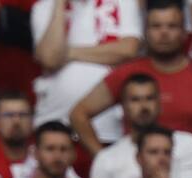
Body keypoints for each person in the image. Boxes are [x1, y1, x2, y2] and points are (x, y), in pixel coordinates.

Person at [70, 0, 192, 157]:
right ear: (145, 31)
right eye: (156, 26)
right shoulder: (127, 73)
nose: (164, 33)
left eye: (172, 26)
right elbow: (79, 114)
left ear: (184, 32)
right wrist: (104, 160)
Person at [31, 0, 143, 145]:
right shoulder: (44, 7)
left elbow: (128, 50)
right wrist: (59, 4)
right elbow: (50, 59)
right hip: (54, 125)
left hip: (105, 126)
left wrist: (68, 52)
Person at [87, 74, 192, 178]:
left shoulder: (187, 143)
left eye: (149, 98)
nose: (143, 106)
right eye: (135, 100)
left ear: (159, 103)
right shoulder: (106, 158)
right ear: (123, 107)